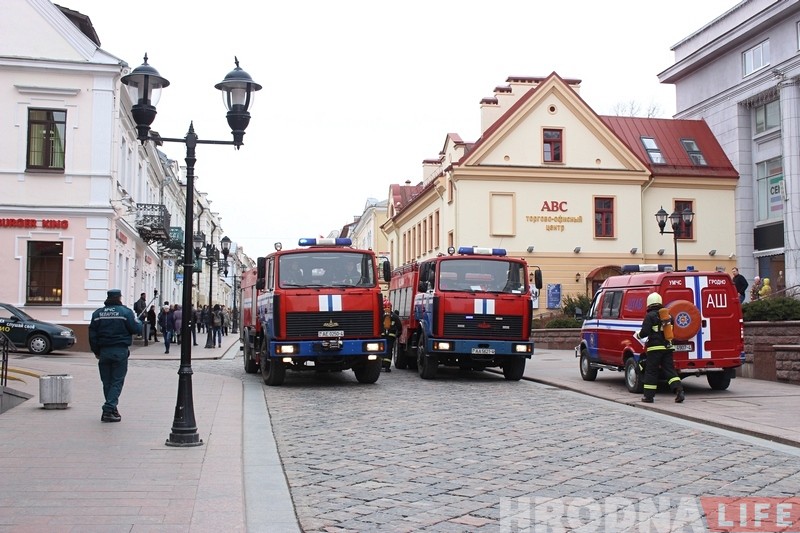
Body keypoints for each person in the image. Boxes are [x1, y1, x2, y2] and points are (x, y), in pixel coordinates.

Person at [88, 289, 141, 423]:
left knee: (107, 382)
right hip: (120, 350)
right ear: (119, 298)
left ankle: (112, 409)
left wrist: (96, 351)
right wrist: (139, 322)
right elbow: (136, 329)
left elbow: (92, 335)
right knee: (117, 382)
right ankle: (108, 409)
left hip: (104, 351)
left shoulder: (97, 314)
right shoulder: (125, 312)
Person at [635, 292, 684, 404]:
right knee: (670, 370)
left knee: (651, 371)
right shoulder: (668, 316)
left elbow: (644, 332)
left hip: (654, 349)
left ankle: (648, 397)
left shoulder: (650, 316)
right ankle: (679, 390)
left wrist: (638, 335)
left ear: (649, 303)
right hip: (668, 347)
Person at [382, 307, 401, 372]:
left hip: (382, 336)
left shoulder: (381, 314)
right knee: (389, 350)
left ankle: (381, 365)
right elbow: (399, 326)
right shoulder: (395, 316)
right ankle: (387, 367)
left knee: (381, 349)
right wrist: (398, 335)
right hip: (391, 336)